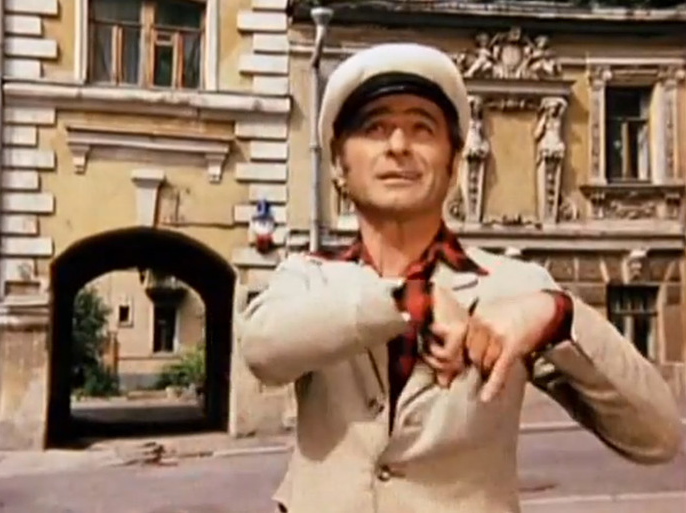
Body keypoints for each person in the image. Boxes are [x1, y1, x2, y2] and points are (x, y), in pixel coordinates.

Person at [238, 43, 682, 513]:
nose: (398, 146)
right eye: (374, 128)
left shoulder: (513, 286)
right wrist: (410, 301)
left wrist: (558, 316)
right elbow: (263, 350)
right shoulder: (310, 278)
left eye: (422, 129)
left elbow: (656, 438)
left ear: (454, 163)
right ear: (339, 165)